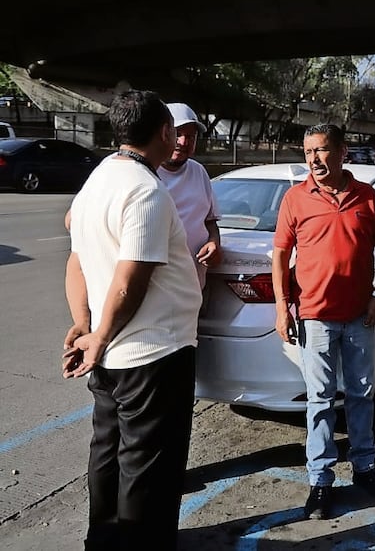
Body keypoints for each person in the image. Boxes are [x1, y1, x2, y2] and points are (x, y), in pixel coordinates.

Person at [62, 90, 201, 550]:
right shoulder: (145, 190)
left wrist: (84, 326)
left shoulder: (98, 179)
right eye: (174, 132)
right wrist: (98, 334)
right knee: (150, 470)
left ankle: (101, 541)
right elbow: (129, 280)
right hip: (153, 354)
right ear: (164, 132)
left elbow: (77, 261)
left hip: (113, 353)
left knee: (108, 453)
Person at [271, 123, 375, 520]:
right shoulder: (295, 198)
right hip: (315, 316)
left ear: (342, 151)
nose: (314, 160)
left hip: (360, 316)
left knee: (361, 396)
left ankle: (364, 468)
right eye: (308, 152)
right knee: (320, 401)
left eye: (322, 150)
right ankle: (320, 482)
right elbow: (279, 256)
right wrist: (281, 307)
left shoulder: (367, 196)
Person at [161, 102, 221, 288]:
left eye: (191, 136)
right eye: (178, 134)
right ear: (163, 133)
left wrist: (214, 243)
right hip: (157, 288)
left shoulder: (199, 172)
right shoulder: (142, 171)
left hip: (192, 287)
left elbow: (210, 221)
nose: (183, 142)